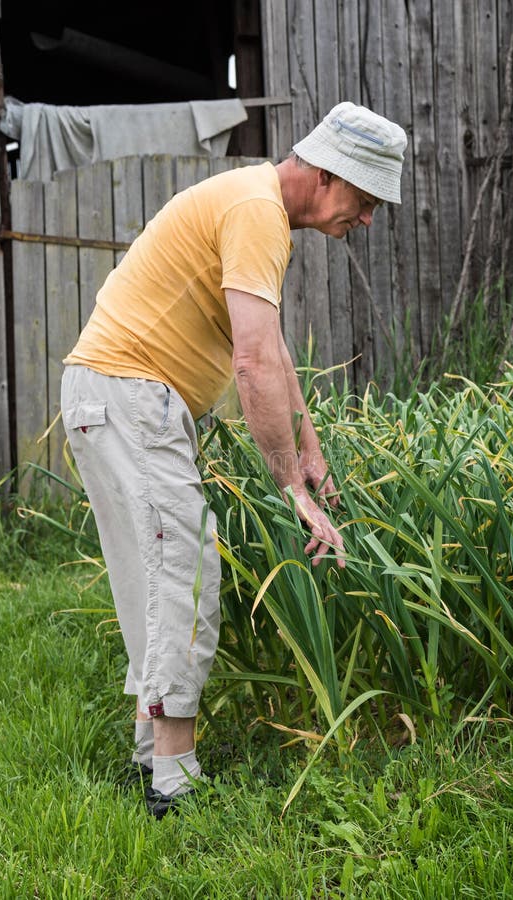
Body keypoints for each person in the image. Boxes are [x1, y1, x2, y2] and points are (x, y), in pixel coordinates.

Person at [61, 101, 407, 818]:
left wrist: (308, 451)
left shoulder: (255, 206)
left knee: (153, 576)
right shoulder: (255, 210)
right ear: (328, 175)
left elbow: (272, 349)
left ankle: (149, 760)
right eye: (367, 199)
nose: (368, 220)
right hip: (130, 394)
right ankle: (174, 784)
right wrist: (291, 490)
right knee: (183, 572)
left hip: (112, 394)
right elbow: (249, 363)